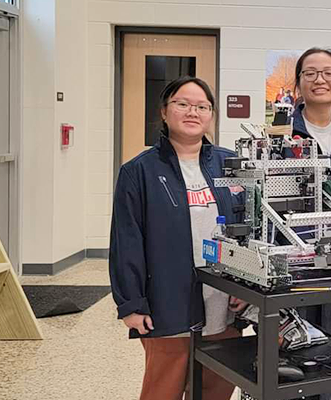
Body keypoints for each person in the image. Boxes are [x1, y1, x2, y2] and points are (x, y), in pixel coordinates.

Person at [109, 76, 248, 400]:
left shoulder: (229, 165)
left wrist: (246, 285)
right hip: (166, 299)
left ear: (211, 115)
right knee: (165, 384)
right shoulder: (139, 171)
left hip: (222, 297)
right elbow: (127, 240)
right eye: (182, 104)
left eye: (202, 106)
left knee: (216, 383)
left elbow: (248, 228)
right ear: (164, 111)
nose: (192, 112)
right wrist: (130, 302)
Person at [288, 47, 331, 400]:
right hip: (292, 264)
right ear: (298, 83)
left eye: (329, 73)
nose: (320, 80)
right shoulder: (281, 136)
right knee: (294, 352)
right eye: (310, 73)